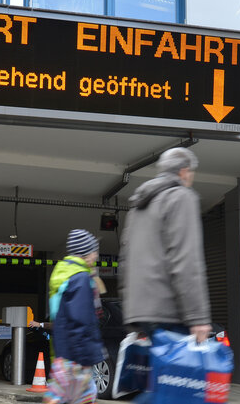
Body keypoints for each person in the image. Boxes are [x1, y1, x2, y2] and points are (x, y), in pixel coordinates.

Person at [120, 147, 211, 343]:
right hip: (169, 313)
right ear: (184, 171)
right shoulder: (181, 197)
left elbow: (125, 262)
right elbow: (186, 260)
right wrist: (198, 317)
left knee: (155, 372)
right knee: (183, 373)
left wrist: (133, 316)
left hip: (141, 314)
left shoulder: (138, 207)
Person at [44, 229, 105, 404]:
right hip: (77, 358)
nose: (96, 255)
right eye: (94, 251)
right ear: (86, 253)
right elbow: (81, 321)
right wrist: (84, 358)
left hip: (64, 354)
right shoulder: (81, 279)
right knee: (83, 397)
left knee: (60, 397)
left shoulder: (65, 275)